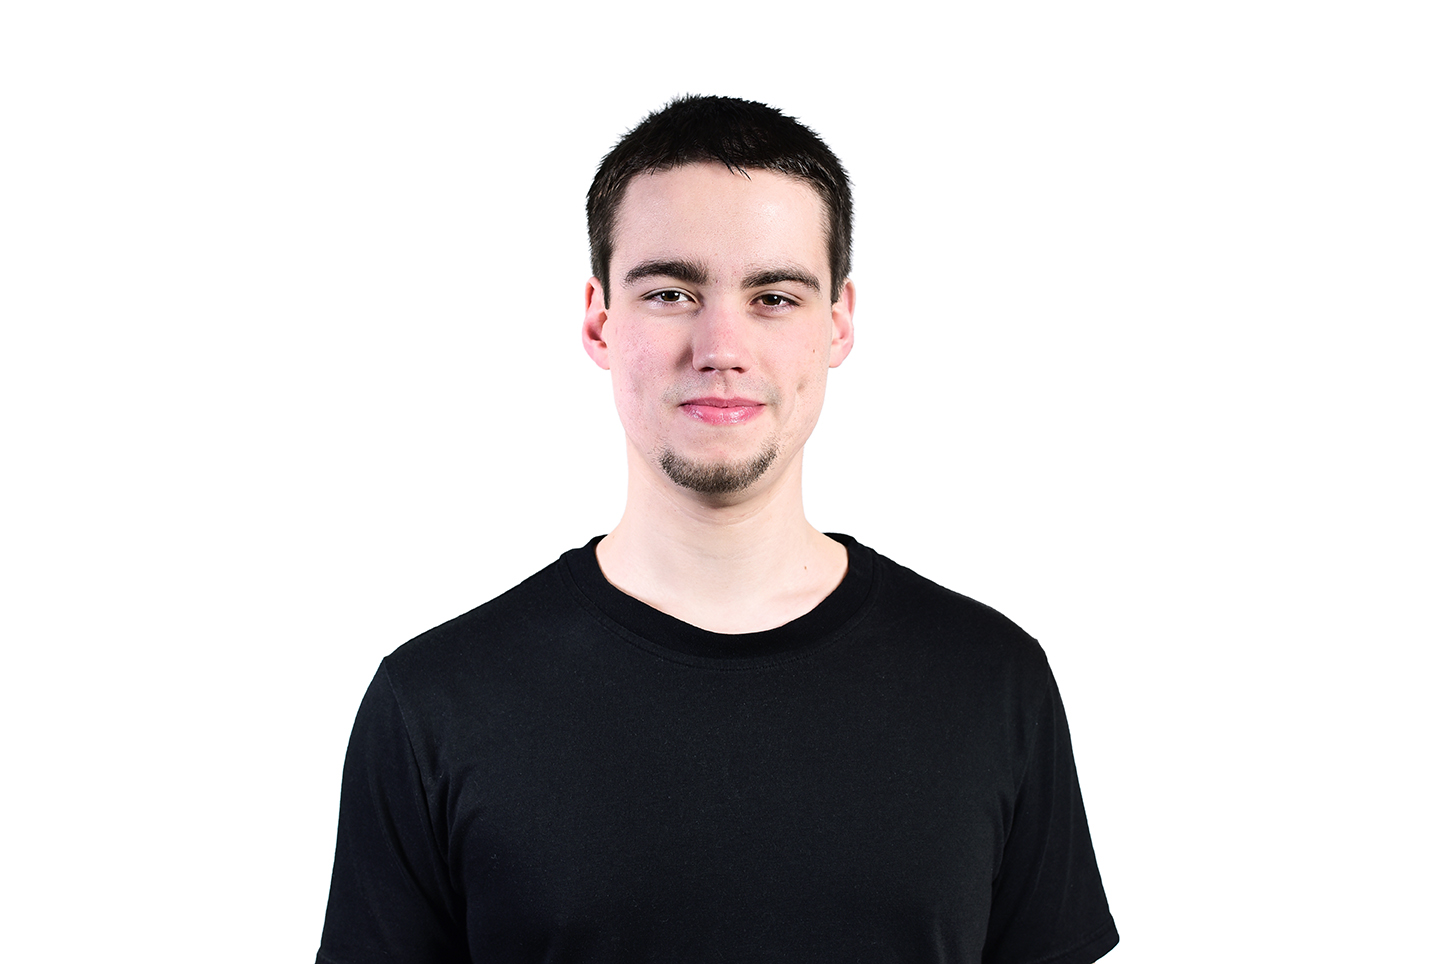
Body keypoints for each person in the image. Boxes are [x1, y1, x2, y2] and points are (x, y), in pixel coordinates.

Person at [316, 95, 1118, 964]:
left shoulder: (991, 683)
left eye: (774, 296)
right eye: (671, 293)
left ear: (838, 322)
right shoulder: (434, 705)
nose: (720, 345)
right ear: (599, 320)